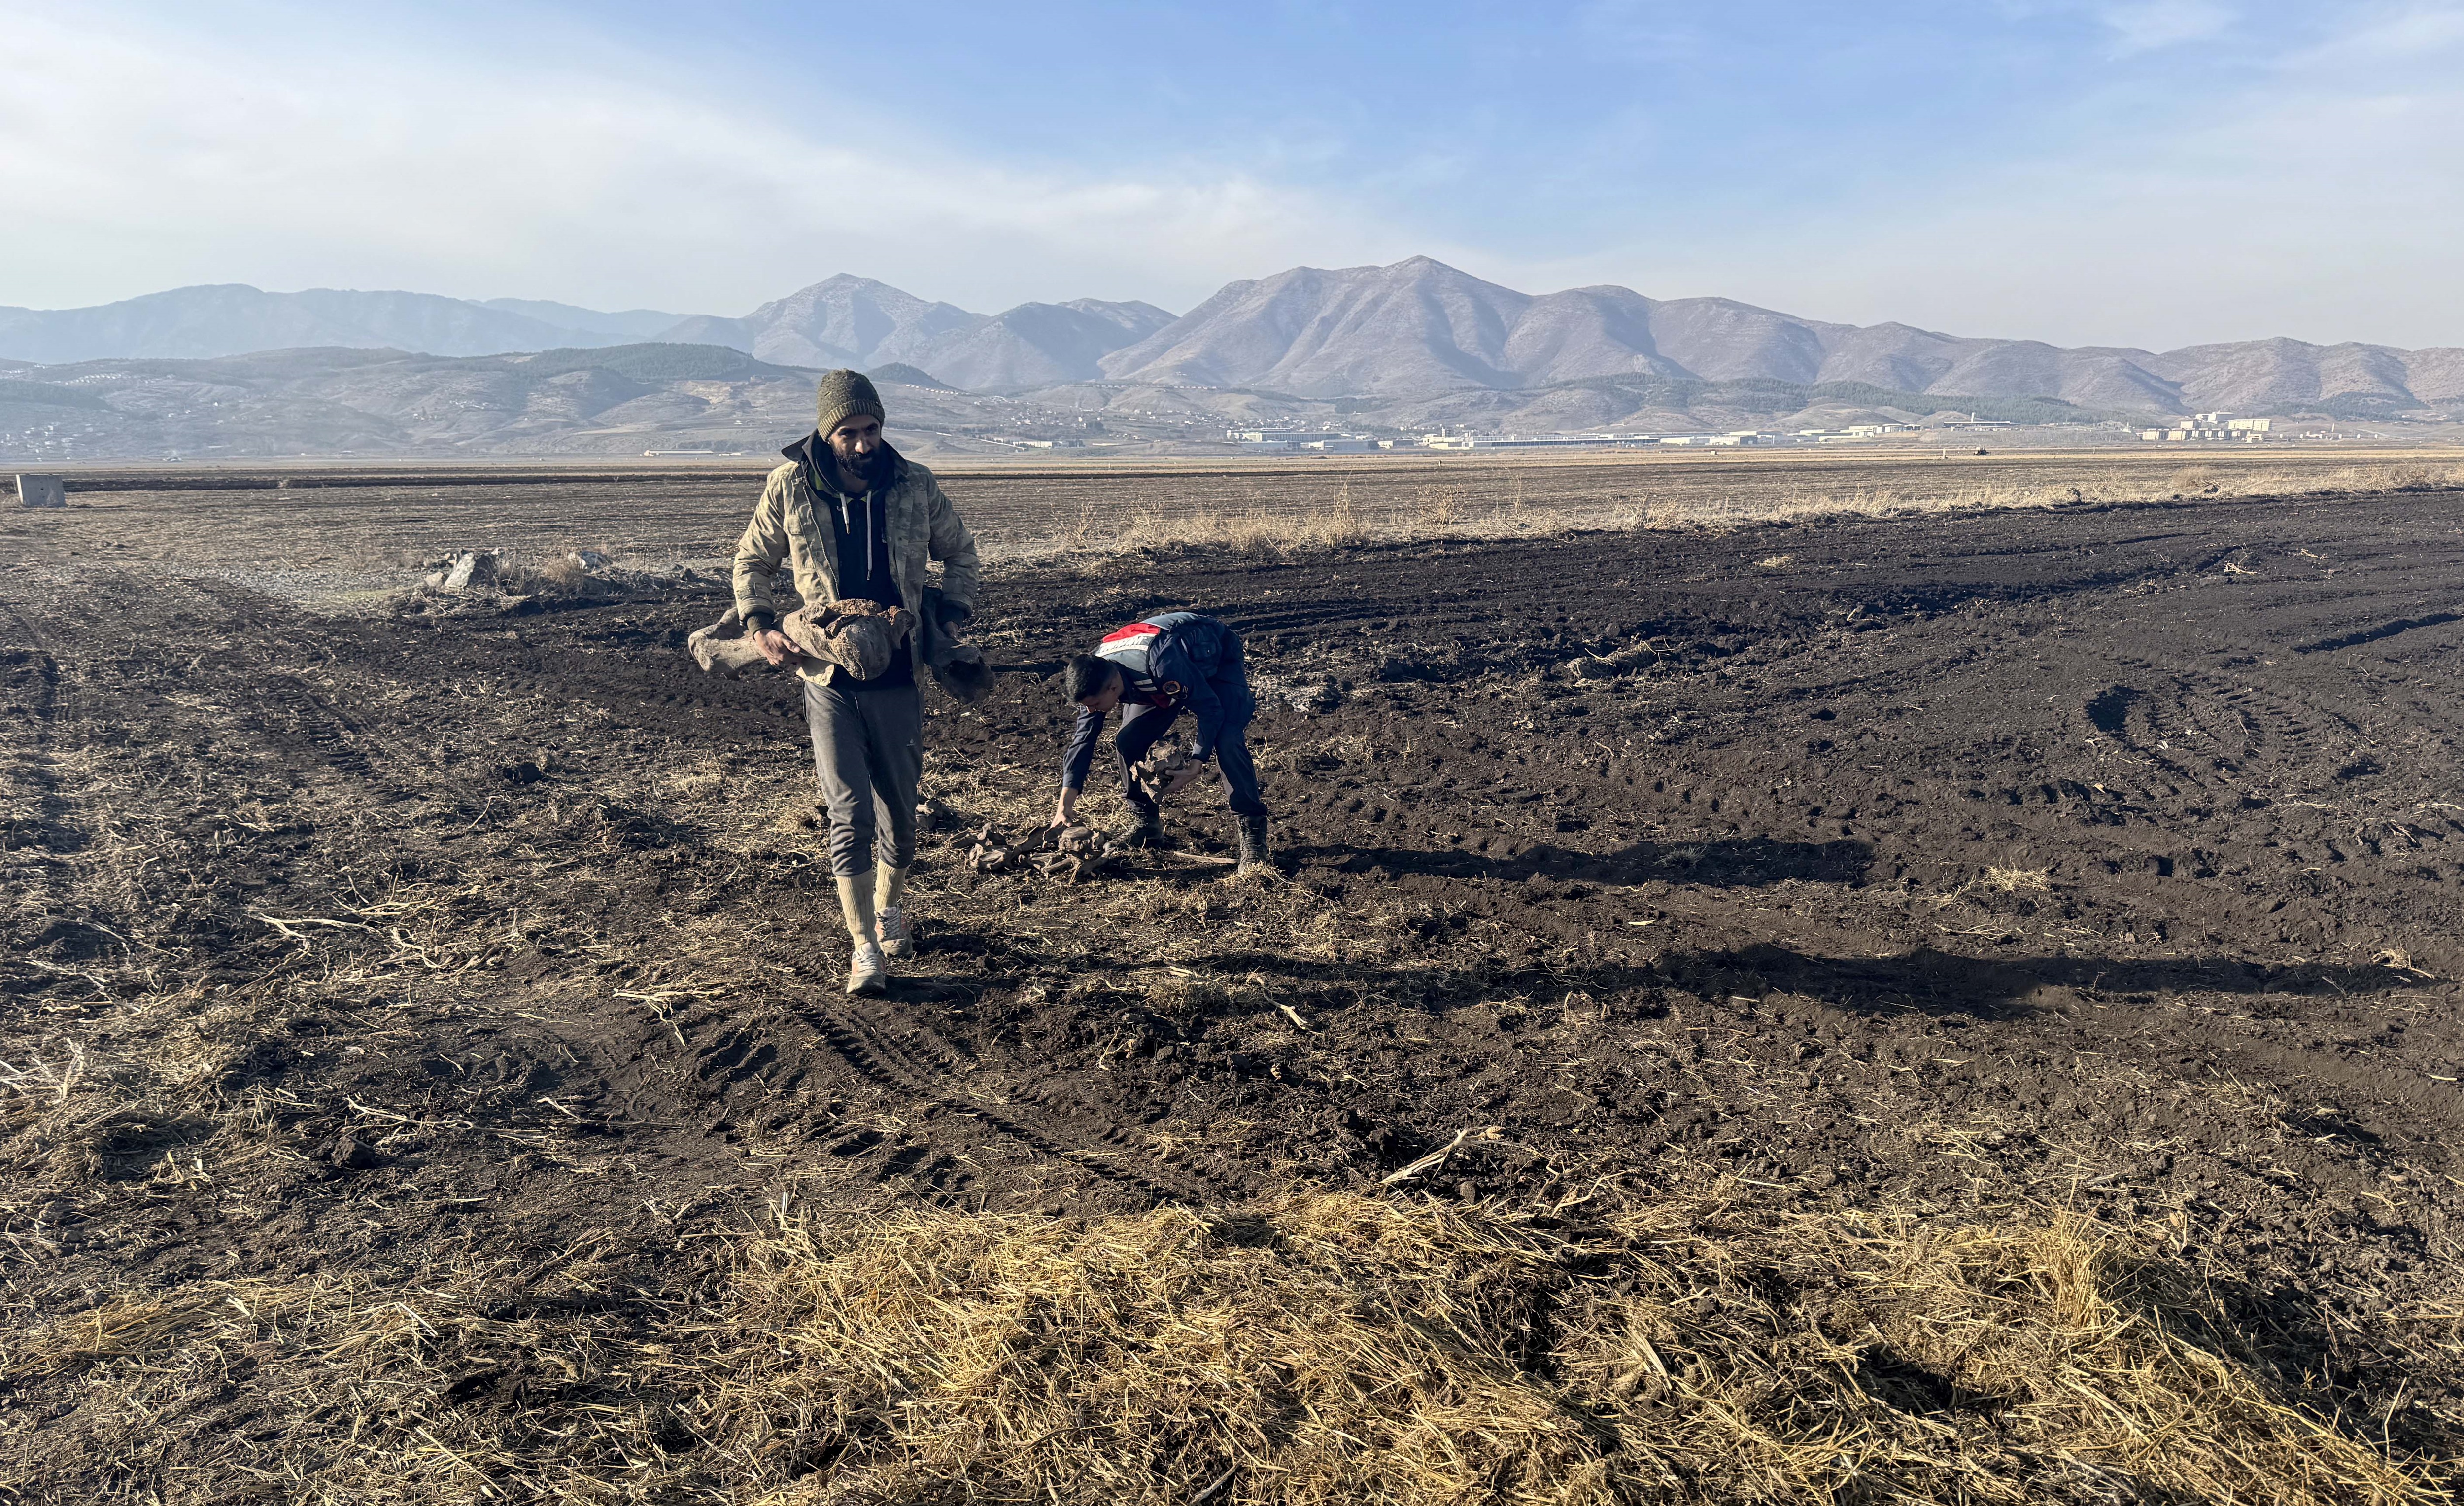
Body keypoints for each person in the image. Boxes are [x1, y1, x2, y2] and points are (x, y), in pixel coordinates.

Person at [733, 370, 979, 994]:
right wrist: (761, 627)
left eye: (872, 430)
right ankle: (864, 946)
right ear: (826, 432)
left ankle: (890, 908)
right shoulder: (788, 487)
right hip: (826, 674)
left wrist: (949, 615)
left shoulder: (914, 484)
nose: (864, 444)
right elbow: (752, 561)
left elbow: (961, 552)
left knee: (898, 807)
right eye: (850, 433)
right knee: (848, 811)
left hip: (899, 672)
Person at [1052, 612, 1270, 874]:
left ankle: (1253, 834)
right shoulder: (1095, 675)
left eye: (1095, 705)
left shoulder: (1162, 665)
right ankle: (1146, 824)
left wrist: (1196, 763)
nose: (1093, 710)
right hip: (1162, 677)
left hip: (1213, 656)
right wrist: (1065, 806)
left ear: (1112, 688)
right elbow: (1083, 740)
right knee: (1128, 741)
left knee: (1226, 741)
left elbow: (1210, 709)